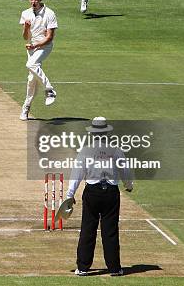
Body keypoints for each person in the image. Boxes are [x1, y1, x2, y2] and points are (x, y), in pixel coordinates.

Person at [65, 117, 134, 276]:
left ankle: (82, 267)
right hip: (111, 192)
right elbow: (126, 172)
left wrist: (70, 194)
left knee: (88, 229)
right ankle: (114, 268)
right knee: (110, 231)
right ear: (107, 133)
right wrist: (128, 186)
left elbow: (77, 173)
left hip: (92, 192)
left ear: (93, 133)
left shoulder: (86, 151)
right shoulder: (115, 150)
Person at [19, 0, 57, 121]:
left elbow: (50, 38)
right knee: (31, 79)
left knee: (31, 64)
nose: (33, 2)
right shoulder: (25, 13)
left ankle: (49, 89)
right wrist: (26, 28)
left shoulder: (50, 13)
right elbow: (25, 37)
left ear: (40, 0)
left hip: (44, 47)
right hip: (31, 48)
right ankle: (26, 107)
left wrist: (36, 45)